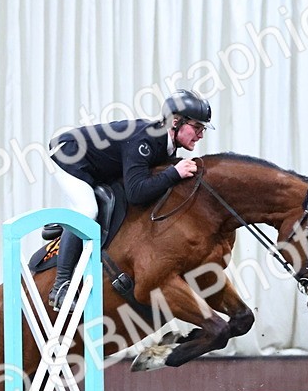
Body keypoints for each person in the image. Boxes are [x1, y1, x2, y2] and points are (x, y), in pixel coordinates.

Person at [45, 89, 212, 310]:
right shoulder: (146, 140)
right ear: (175, 122)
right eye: (197, 127)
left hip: (97, 163)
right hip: (69, 152)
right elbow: (136, 193)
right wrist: (174, 173)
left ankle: (63, 225)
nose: (201, 134)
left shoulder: (165, 145)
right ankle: (61, 286)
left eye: (203, 129)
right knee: (87, 212)